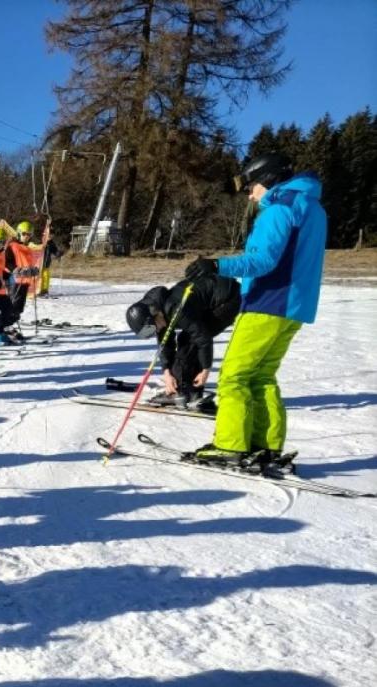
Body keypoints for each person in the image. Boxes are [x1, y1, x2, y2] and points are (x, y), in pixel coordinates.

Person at [182, 152, 326, 466]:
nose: (250, 193)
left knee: (233, 377)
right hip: (293, 308)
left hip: (268, 302)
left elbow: (262, 261)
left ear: (269, 179)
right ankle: (267, 444)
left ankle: (230, 446)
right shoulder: (311, 206)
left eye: (252, 185)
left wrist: (215, 265)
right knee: (261, 377)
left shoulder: (279, 208)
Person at [124, 275, 240, 410]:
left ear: (154, 313)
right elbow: (165, 342)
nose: (157, 330)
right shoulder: (159, 309)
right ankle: (188, 390)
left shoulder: (176, 309)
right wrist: (166, 371)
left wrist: (205, 369)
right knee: (188, 339)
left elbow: (203, 338)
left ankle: (183, 393)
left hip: (229, 300)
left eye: (153, 327)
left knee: (189, 340)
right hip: (211, 298)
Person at [8, 221, 42, 322]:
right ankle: (2, 328)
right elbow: (7, 262)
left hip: (25, 281)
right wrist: (17, 270)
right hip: (15, 280)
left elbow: (26, 263)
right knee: (12, 306)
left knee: (19, 307)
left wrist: (33, 270)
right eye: (24, 234)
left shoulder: (27, 247)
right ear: (18, 233)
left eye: (29, 234)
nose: (26, 236)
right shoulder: (12, 245)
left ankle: (10, 325)